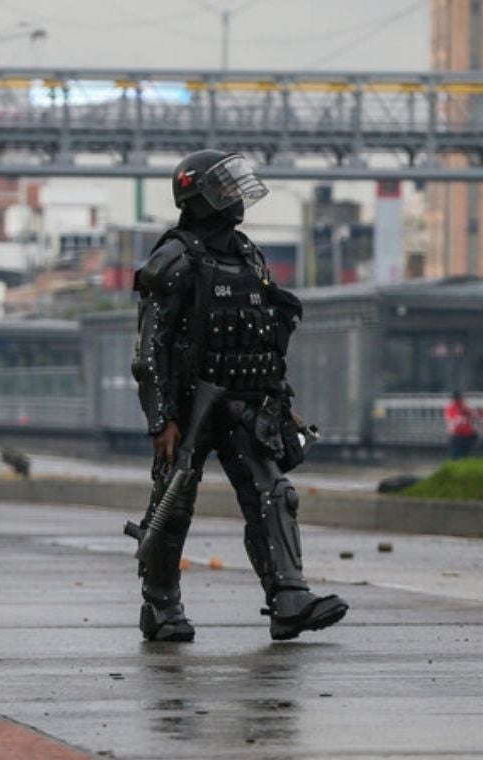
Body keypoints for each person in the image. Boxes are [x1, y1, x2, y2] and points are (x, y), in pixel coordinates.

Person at [130, 149, 348, 642]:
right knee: (173, 502)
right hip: (189, 407)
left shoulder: (248, 254)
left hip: (245, 402)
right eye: (223, 187)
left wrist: (278, 398)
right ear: (198, 194)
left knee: (274, 493)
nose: (234, 196)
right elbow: (150, 349)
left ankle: (289, 597)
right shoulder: (175, 258)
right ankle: (161, 606)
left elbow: (264, 333)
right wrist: (161, 419)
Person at [444, 390, 477, 459]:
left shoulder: (467, 406)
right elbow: (454, 421)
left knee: (467, 457)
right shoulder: (450, 407)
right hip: (456, 436)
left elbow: (475, 415)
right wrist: (463, 414)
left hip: (468, 435)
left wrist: (469, 411)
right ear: (456, 398)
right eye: (460, 398)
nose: (462, 399)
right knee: (456, 456)